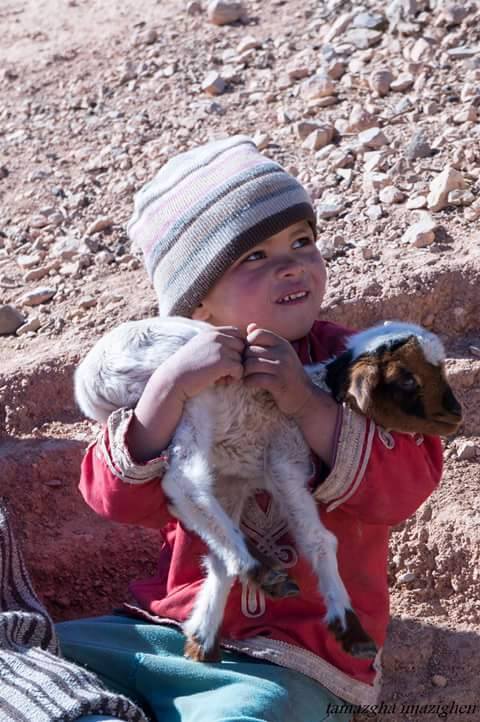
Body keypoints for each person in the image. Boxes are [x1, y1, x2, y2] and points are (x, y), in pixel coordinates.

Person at [57, 135, 443, 722]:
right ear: (198, 308)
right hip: (166, 629)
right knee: (35, 649)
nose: (292, 264)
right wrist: (166, 391)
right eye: (253, 257)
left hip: (299, 658)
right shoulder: (176, 370)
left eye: (302, 241)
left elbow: (406, 485)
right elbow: (114, 499)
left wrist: (303, 398)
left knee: (252, 713)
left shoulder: (360, 361)